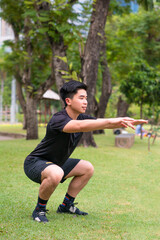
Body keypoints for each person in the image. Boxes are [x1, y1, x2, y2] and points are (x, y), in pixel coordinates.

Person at [24, 80, 148, 223]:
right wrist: (116, 120)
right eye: (81, 98)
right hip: (35, 163)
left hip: (57, 163)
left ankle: (66, 205)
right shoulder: (58, 119)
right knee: (56, 172)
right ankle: (39, 210)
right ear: (68, 101)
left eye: (86, 98)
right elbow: (81, 126)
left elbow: (103, 122)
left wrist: (125, 121)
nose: (85, 102)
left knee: (87, 168)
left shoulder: (82, 118)